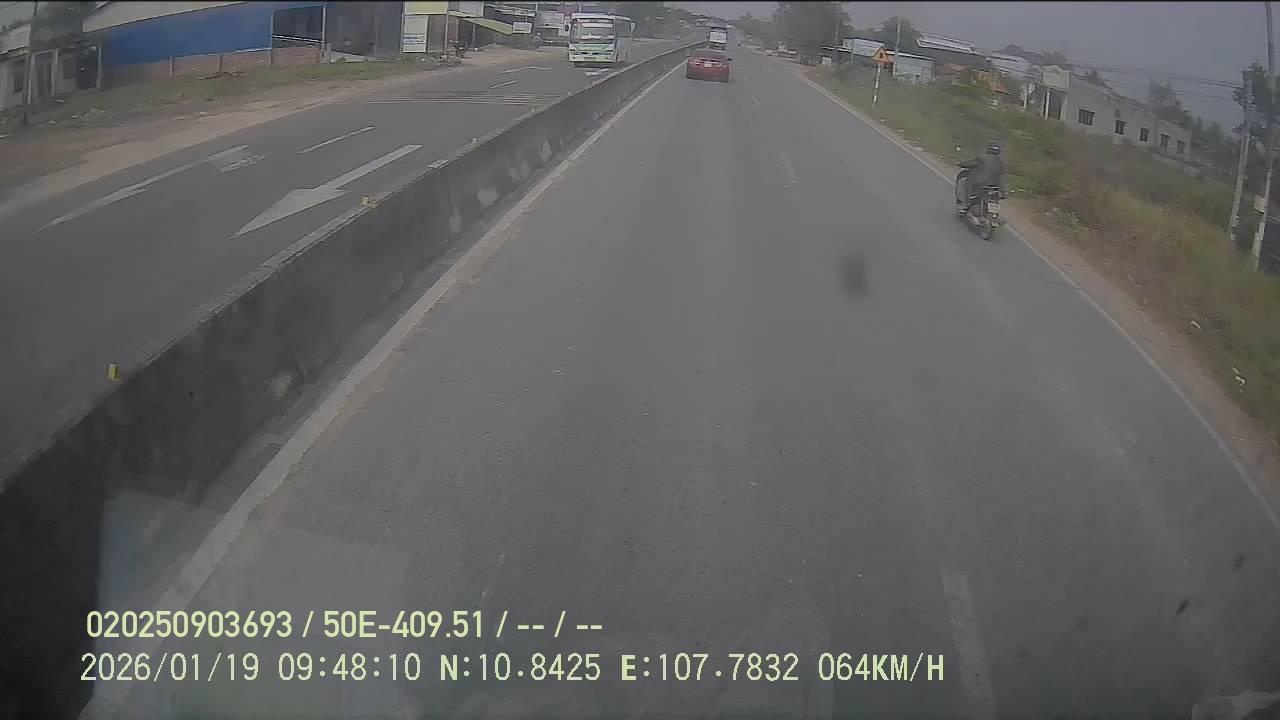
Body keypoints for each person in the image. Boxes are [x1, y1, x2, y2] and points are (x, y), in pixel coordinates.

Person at [956, 141, 1007, 211]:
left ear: (988, 149)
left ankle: (965, 204)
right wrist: (1002, 190)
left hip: (980, 183)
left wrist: (961, 163)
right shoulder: (1001, 162)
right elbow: (1002, 175)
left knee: (963, 182)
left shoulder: (981, 158)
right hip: (995, 186)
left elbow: (969, 164)